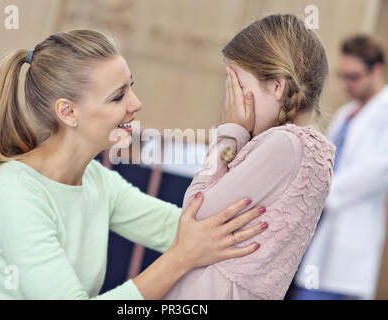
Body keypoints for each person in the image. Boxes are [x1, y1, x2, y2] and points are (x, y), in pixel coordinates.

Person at [0, 30, 268, 300]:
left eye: (132, 86)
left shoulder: (97, 180)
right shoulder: (13, 194)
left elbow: (191, 230)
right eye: (118, 97)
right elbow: (187, 245)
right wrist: (181, 259)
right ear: (68, 112)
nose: (136, 104)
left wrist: (236, 135)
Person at [164, 14, 336, 300]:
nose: (232, 101)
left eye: (240, 87)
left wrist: (229, 133)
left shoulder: (285, 143)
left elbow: (194, 212)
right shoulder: (315, 151)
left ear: (277, 87)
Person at [293, 35, 388, 300]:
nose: (347, 84)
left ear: (376, 70)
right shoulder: (347, 113)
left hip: (352, 231)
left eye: (354, 77)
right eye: (343, 76)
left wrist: (324, 194)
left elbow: (378, 170)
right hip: (322, 227)